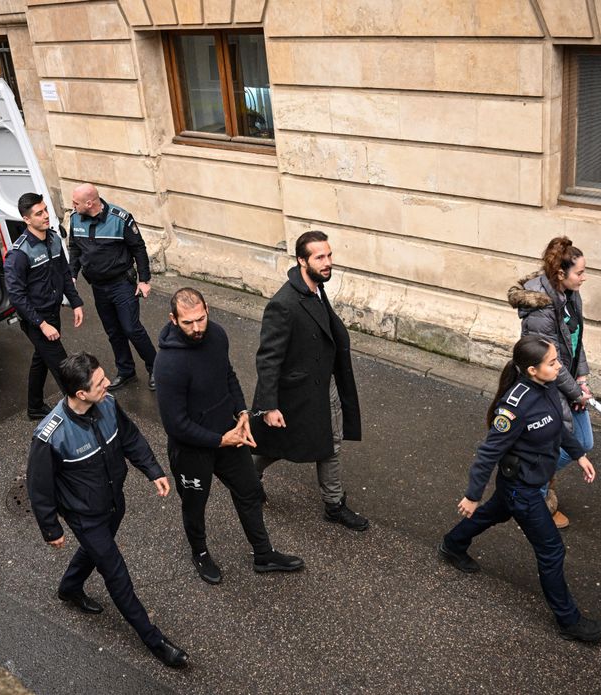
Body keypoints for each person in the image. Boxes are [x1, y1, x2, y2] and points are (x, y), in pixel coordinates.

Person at [437, 335, 601, 643]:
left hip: (525, 482)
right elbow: (488, 453)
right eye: (552, 362)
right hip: (522, 488)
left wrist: (579, 455)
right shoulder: (513, 407)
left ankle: (452, 544)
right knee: (552, 550)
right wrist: (472, 495)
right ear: (532, 370)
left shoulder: (548, 386)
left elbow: (557, 427)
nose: (559, 366)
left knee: (494, 513)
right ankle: (569, 621)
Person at [26, 352, 188, 668]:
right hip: (85, 516)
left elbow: (130, 438)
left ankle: (69, 587)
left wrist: (153, 470)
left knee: (96, 551)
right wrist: (51, 529)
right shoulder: (50, 436)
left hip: (113, 503)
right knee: (116, 574)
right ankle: (155, 641)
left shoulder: (108, 404)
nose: (107, 383)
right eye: (100, 382)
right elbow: (39, 487)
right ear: (80, 393)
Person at [154, 287, 304, 585]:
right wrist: (220, 440)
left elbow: (228, 376)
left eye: (201, 319)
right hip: (192, 450)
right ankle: (199, 553)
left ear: (207, 310)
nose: (197, 328)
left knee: (250, 491)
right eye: (188, 322)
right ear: (173, 319)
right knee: (195, 505)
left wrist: (242, 413)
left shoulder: (218, 335)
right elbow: (175, 425)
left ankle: (263, 554)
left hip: (229, 435)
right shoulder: (168, 364)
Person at [250, 230, 368, 531]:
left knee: (329, 443)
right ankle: (249, 478)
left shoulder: (315, 288)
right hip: (298, 392)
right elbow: (268, 358)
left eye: (329, 255)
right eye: (320, 257)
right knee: (280, 445)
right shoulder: (283, 304)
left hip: (323, 384)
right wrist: (268, 406)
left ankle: (333, 503)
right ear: (302, 261)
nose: (327, 262)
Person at [507, 237, 593, 529]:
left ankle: (531, 483)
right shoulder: (540, 311)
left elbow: (575, 340)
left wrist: (582, 378)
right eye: (579, 272)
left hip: (567, 382)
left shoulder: (570, 293)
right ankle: (535, 497)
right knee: (553, 444)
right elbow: (550, 361)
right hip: (546, 385)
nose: (584, 277)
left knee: (583, 442)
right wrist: (576, 392)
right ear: (560, 273)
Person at [68, 183, 156, 391]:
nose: (72, 205)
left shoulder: (120, 219)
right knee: (113, 331)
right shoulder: (75, 219)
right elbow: (75, 249)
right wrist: (72, 274)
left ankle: (156, 368)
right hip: (98, 287)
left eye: (76, 202)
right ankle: (126, 371)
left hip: (122, 284)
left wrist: (144, 280)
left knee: (131, 329)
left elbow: (138, 248)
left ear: (89, 203)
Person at [4, 192, 84, 420]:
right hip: (36, 319)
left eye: (46, 210)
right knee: (63, 366)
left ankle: (35, 407)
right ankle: (79, 412)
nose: (46, 216)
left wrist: (76, 302)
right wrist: (42, 324)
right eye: (39, 213)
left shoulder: (54, 239)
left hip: (53, 311)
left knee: (41, 359)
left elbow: (64, 274)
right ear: (26, 219)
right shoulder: (18, 254)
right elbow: (17, 296)